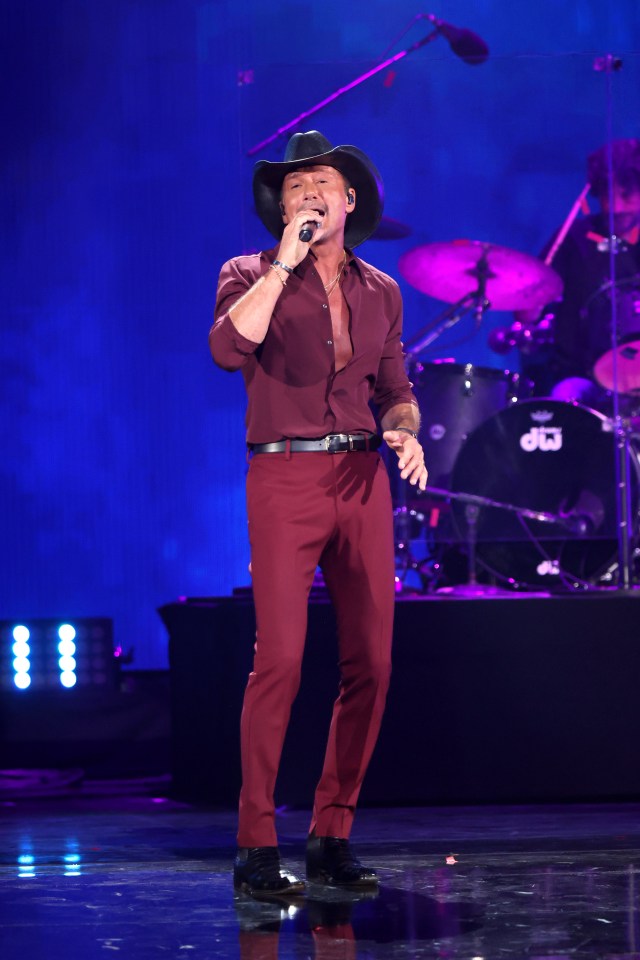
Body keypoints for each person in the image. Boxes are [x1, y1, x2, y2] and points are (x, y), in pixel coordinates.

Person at [209, 130, 427, 898]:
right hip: (285, 477)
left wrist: (404, 432)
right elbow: (229, 350)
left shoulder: (383, 291)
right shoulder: (247, 272)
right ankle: (255, 843)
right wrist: (284, 265)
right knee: (282, 660)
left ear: (349, 202)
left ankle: (333, 833)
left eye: (319, 187)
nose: (304, 196)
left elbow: (395, 386)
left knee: (372, 662)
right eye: (293, 189)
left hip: (363, 477)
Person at [510, 139, 640, 406]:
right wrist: (528, 308)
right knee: (563, 407)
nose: (616, 207)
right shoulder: (575, 237)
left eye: (627, 194)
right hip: (581, 378)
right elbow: (526, 312)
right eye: (607, 194)